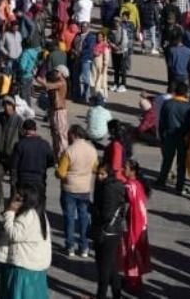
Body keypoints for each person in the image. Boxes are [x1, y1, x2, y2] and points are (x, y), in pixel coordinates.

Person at [0, 184, 52, 299]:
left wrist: (10, 212)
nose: (15, 198)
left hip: (23, 267)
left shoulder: (28, 215)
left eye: (18, 197)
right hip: (33, 264)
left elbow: (14, 234)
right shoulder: (39, 213)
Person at [57, 124, 97, 259]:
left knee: (69, 218)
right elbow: (96, 168)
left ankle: (70, 246)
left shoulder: (69, 151)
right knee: (84, 218)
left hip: (69, 188)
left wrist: (59, 173)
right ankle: (84, 246)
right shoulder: (92, 150)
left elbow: (61, 173)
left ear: (73, 135)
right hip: (85, 189)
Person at [91, 164, 129, 299]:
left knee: (104, 269)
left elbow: (106, 215)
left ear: (108, 174)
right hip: (114, 231)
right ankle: (116, 294)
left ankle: (101, 296)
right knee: (111, 266)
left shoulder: (107, 189)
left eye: (102, 174)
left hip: (107, 231)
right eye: (98, 174)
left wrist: (91, 209)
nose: (99, 177)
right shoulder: (116, 186)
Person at [156, 81, 190, 195]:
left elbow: (161, 121)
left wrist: (161, 135)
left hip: (168, 135)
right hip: (183, 138)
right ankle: (180, 184)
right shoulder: (188, 107)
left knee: (167, 160)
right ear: (185, 93)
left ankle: (162, 180)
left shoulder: (167, 104)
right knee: (181, 162)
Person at [119, 160, 151, 294]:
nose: (123, 169)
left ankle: (133, 282)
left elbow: (126, 204)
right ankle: (132, 279)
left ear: (132, 171)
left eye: (125, 168)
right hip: (140, 224)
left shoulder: (129, 187)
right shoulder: (138, 184)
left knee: (132, 253)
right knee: (135, 252)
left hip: (134, 225)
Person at [11, 118, 55, 210]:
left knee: (23, 206)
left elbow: (14, 165)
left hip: (23, 180)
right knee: (39, 205)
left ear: (24, 130)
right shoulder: (44, 144)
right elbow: (51, 161)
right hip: (39, 179)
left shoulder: (20, 144)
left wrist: (14, 182)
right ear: (35, 130)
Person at [0, 96, 25, 216]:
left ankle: (10, 207)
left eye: (9, 105)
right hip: (0, 155)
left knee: (13, 184)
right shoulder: (0, 117)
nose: (6, 107)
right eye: (5, 105)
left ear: (13, 106)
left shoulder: (18, 120)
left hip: (13, 157)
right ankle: (0, 204)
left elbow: (22, 137)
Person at [42, 65, 70, 156]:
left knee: (61, 135)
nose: (54, 73)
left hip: (59, 112)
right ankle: (56, 156)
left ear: (61, 73)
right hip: (54, 110)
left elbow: (48, 86)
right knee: (54, 135)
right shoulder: (57, 81)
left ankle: (63, 156)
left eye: (56, 71)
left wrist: (40, 79)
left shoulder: (61, 82)